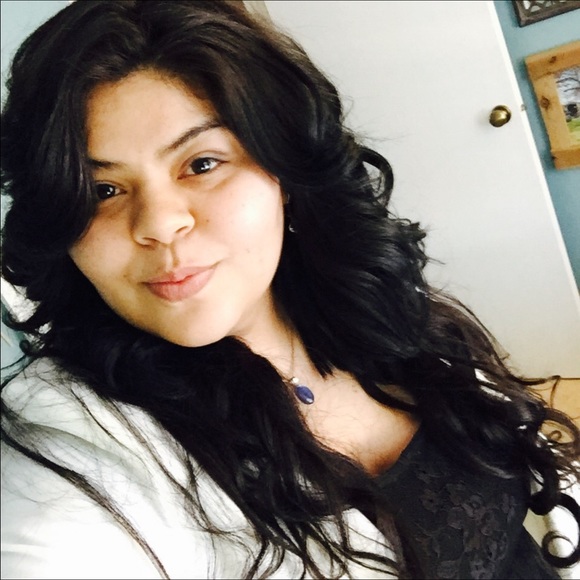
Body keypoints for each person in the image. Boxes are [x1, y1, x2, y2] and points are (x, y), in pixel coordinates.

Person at [1, 1, 578, 578]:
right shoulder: (77, 450)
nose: (158, 223)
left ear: (282, 170)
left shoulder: (363, 307)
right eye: (101, 191)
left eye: (201, 164)